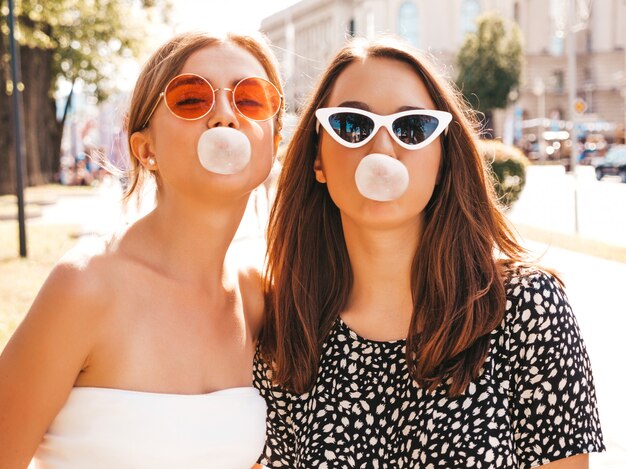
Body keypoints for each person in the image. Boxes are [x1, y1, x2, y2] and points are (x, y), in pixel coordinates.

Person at [255, 37, 604, 468]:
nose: (382, 149)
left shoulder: (527, 310)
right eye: (351, 125)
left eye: (413, 128)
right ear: (317, 159)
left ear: (442, 159)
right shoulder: (285, 330)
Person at [0, 31, 283, 468]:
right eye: (191, 99)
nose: (225, 115)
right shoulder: (83, 287)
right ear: (145, 148)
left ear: (274, 141)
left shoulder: (259, 297)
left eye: (250, 99)